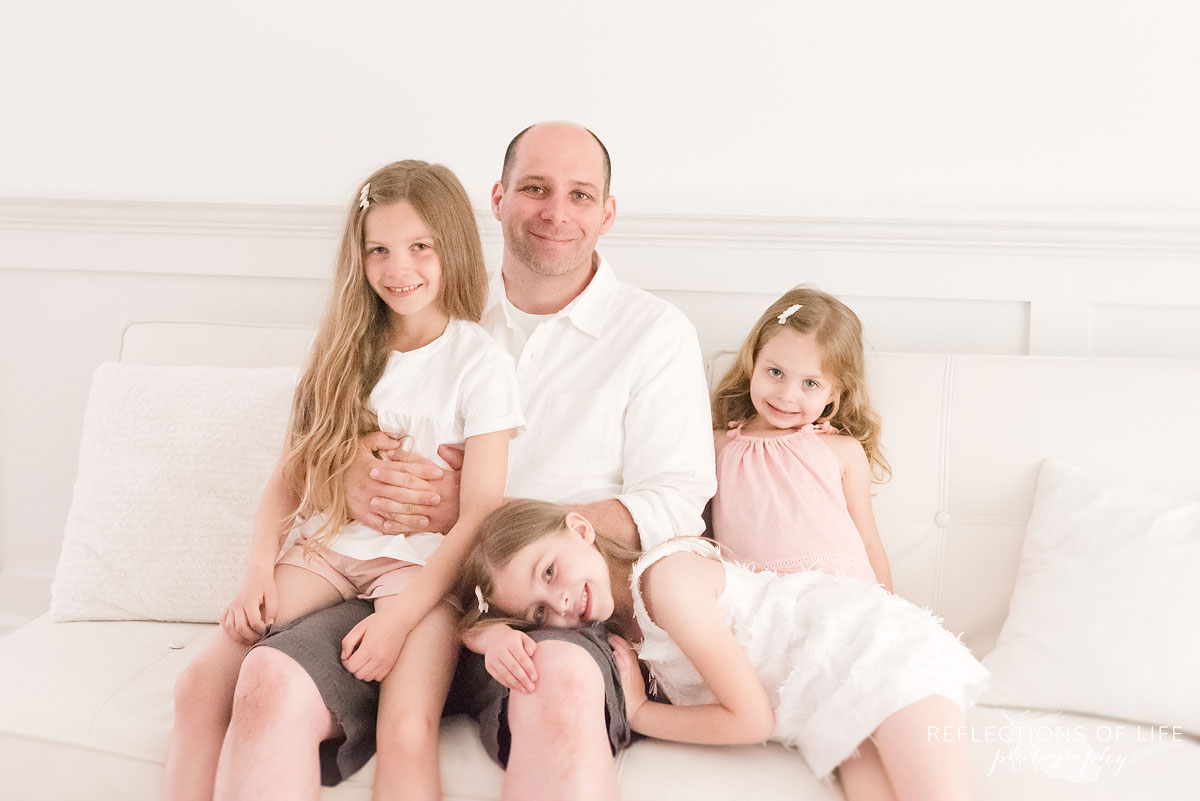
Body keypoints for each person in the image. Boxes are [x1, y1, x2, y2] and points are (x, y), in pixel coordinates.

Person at [202, 122, 716, 801]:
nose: (555, 213)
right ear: (498, 198)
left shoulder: (654, 334)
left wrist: (494, 519)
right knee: (267, 684)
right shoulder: (424, 300)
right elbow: (331, 424)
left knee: (560, 688)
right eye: (534, 188)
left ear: (607, 212)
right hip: (398, 587)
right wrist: (351, 466)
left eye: (580, 195)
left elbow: (677, 502)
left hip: (543, 612)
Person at [165, 160, 522, 801]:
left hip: (422, 573)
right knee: (199, 685)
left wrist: (397, 622)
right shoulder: (345, 348)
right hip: (330, 551)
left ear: (453, 248)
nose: (398, 268)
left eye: (420, 247)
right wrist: (257, 575)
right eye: (378, 250)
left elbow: (481, 514)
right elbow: (288, 479)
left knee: (406, 727)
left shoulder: (480, 362)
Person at [465, 498, 990, 801]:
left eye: (550, 571)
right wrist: (489, 633)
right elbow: (461, 618)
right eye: (538, 614)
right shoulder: (626, 629)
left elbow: (750, 719)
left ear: (581, 529)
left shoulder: (666, 585)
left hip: (876, 653)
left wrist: (644, 714)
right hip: (827, 707)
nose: (558, 603)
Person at [710, 286, 893, 588]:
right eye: (776, 373)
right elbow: (698, 539)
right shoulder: (719, 447)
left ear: (834, 392)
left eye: (810, 383)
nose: (786, 395)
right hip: (756, 599)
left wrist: (892, 613)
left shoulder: (842, 451)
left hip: (838, 591)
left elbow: (869, 541)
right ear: (753, 361)